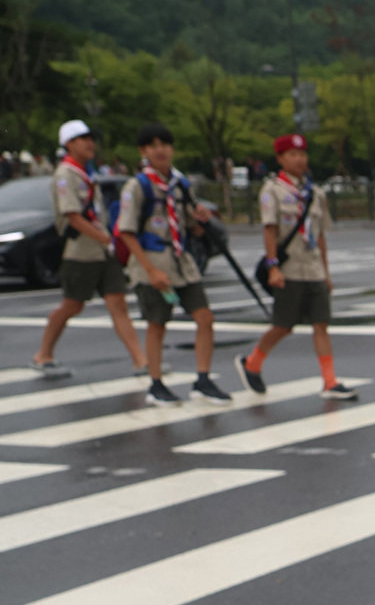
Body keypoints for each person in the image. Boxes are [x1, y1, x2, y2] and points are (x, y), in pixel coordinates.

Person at [115, 123, 230, 406]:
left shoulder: (180, 185)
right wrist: (150, 270)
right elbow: (126, 232)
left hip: (181, 261)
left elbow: (193, 228)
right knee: (157, 324)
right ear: (143, 151)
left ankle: (202, 379)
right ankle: (156, 384)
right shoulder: (137, 186)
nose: (160, 150)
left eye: (165, 144)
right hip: (152, 261)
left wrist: (201, 219)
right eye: (153, 145)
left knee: (205, 318)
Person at [236, 133, 357, 402]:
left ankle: (329, 380)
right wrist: (273, 267)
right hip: (288, 268)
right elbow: (270, 231)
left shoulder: (316, 193)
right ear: (280, 158)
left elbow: (321, 234)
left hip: (312, 267)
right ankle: (252, 363)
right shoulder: (273, 190)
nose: (299, 159)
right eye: (292, 154)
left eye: (302, 154)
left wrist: (326, 272)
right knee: (283, 325)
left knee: (321, 323)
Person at [33, 119, 144, 378]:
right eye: (83, 139)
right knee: (72, 306)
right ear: (69, 144)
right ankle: (43, 354)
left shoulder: (86, 173)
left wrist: (106, 242)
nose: (90, 143)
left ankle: (141, 360)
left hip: (103, 252)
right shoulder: (65, 175)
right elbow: (72, 216)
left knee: (118, 304)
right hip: (81, 252)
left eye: (90, 138)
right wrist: (106, 239)